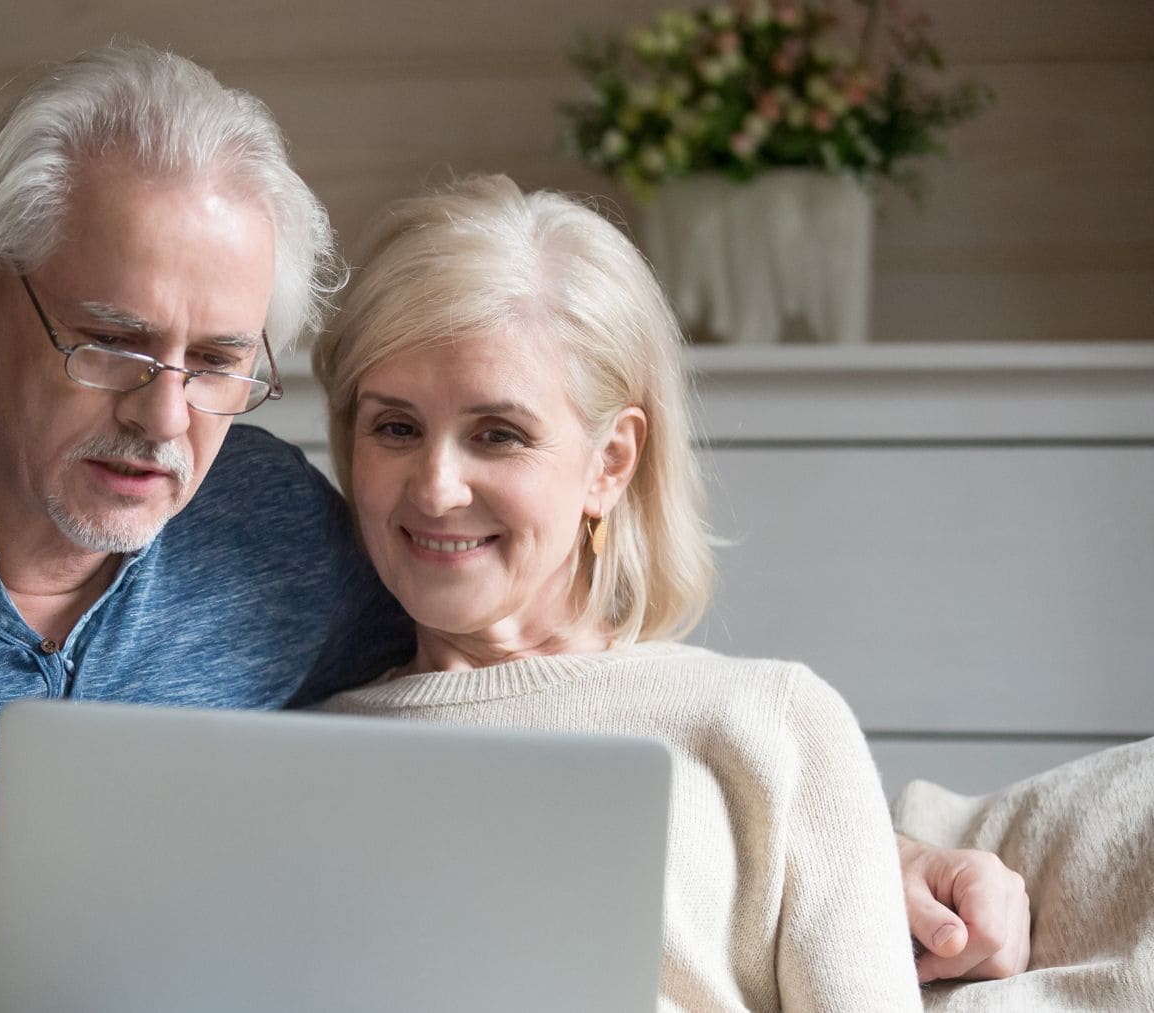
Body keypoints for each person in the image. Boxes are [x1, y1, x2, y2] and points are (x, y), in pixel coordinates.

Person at [0, 43, 1026, 1012]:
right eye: (112, 341)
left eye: (221, 364)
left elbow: (516, 693)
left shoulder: (279, 530)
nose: (164, 421)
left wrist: (856, 849)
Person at [309, 174, 938, 1009]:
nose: (435, 487)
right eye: (396, 427)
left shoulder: (769, 724)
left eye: (498, 434)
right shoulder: (290, 751)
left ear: (610, 461)